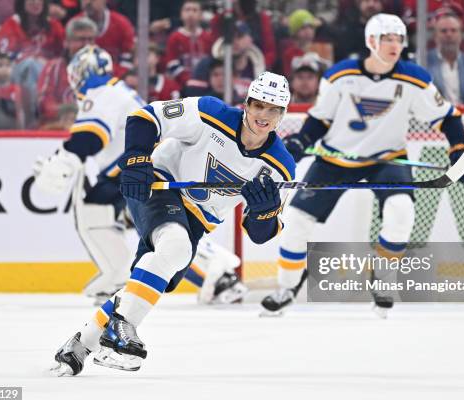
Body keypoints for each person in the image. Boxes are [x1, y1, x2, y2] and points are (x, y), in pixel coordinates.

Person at [50, 70, 295, 376]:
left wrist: (265, 211)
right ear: (246, 104)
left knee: (150, 280)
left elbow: (260, 234)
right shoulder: (210, 112)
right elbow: (144, 117)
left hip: (195, 220)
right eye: (259, 105)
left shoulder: (280, 165)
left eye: (274, 109)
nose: (264, 115)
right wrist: (137, 158)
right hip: (159, 184)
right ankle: (120, 333)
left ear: (283, 114)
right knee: (176, 248)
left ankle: (79, 345)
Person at [261, 13, 464, 316]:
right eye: (387, 38)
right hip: (335, 158)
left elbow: (447, 117)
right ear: (370, 41)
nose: (394, 44)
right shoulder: (339, 76)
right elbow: (320, 118)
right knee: (296, 219)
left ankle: (383, 279)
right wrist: (301, 140)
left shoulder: (415, 78)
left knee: (401, 211)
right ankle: (287, 286)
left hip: (386, 158)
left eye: (399, 38)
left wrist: (459, 148)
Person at [34, 45, 246, 307]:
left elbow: (89, 138)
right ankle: (219, 272)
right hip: (144, 163)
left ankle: (120, 276)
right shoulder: (117, 91)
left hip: (133, 168)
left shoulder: (100, 94)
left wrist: (64, 160)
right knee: (156, 227)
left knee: (95, 212)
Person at [36, 16, 97, 127]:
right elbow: (43, 105)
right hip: (56, 131)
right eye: (81, 40)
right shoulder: (54, 68)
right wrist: (68, 112)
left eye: (90, 40)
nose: (87, 45)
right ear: (67, 42)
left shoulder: (102, 73)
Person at [427, 13, 464, 104]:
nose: (449, 35)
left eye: (454, 30)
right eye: (444, 31)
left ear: (461, 36)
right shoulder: (422, 62)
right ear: (435, 36)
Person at [77, 0, 135, 77]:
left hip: (115, 81)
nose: (88, 2)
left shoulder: (122, 25)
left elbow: (128, 62)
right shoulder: (74, 25)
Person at [163, 0, 213, 88]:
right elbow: (171, 64)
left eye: (194, 10)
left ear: (201, 15)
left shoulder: (208, 37)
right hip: (182, 86)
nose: (190, 14)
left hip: (205, 84)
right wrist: (188, 80)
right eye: (187, 10)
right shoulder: (175, 37)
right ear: (181, 14)